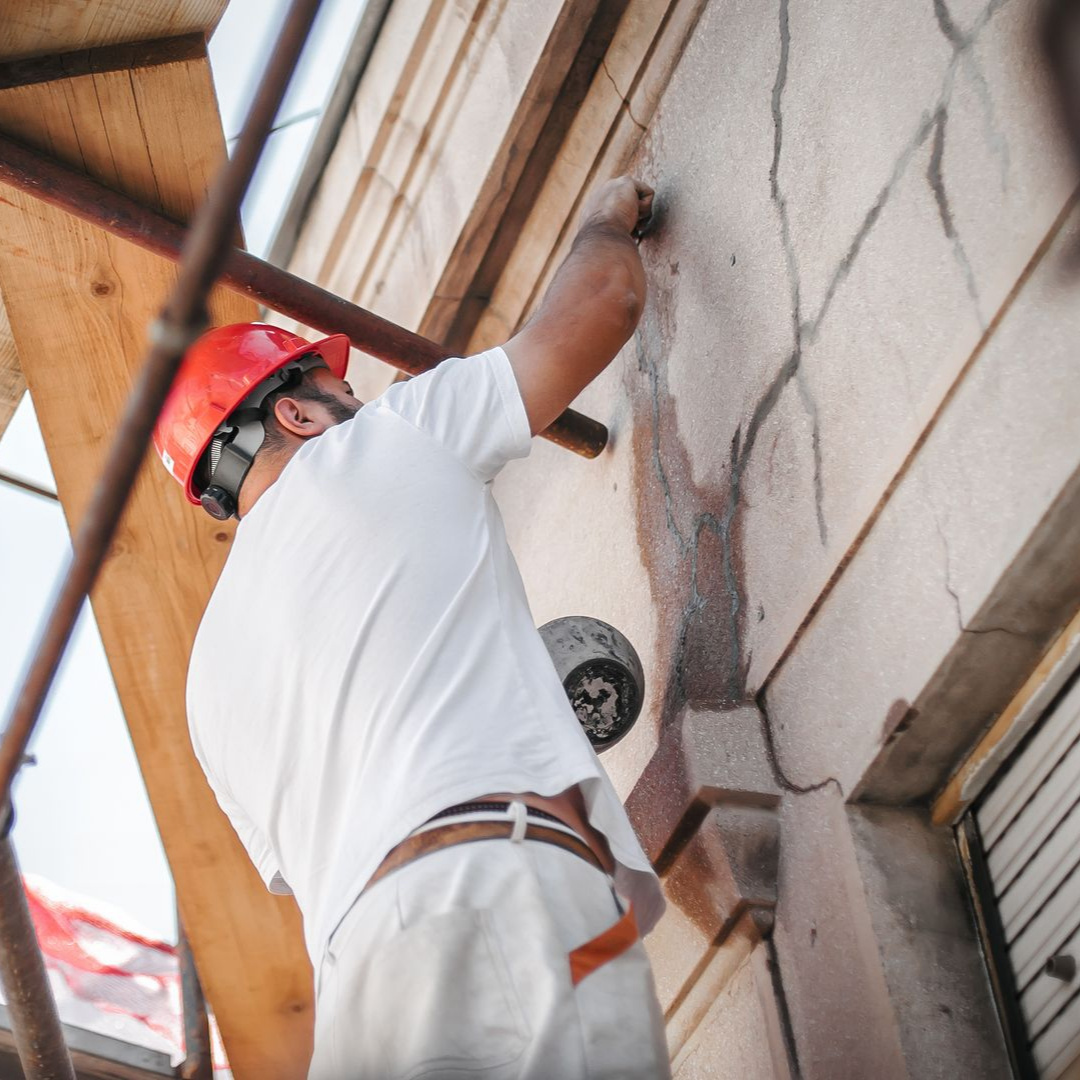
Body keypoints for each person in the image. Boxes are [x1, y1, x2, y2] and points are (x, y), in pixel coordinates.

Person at [154, 175, 670, 1079]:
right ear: (296, 410)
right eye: (335, 385)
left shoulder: (206, 688)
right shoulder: (383, 440)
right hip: (498, 888)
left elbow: (362, 816)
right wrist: (604, 216)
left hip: (358, 1006)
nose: (356, 396)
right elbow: (605, 302)